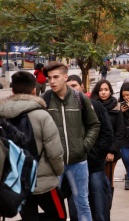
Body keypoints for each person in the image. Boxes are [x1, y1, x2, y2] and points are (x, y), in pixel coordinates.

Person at [0, 71, 66, 220]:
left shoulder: (2, 116)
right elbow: (54, 152)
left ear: (12, 91)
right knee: (59, 216)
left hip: (18, 183)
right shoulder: (42, 115)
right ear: (34, 90)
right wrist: (58, 171)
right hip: (45, 182)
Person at [42, 61, 100, 221]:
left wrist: (84, 146)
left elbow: (94, 124)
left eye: (56, 77)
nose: (52, 81)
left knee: (82, 202)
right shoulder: (44, 99)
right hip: (54, 164)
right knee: (54, 207)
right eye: (49, 78)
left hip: (78, 161)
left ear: (65, 77)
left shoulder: (80, 98)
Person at [66, 75, 113, 221]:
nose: (71, 89)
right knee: (76, 211)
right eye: (68, 86)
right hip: (72, 167)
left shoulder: (96, 106)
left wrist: (93, 155)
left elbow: (107, 134)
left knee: (100, 210)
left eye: (74, 85)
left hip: (94, 166)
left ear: (82, 86)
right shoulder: (61, 111)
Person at [90, 80, 123, 206]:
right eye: (101, 90)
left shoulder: (117, 107)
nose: (103, 92)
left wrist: (112, 151)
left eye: (106, 89)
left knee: (108, 180)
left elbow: (119, 132)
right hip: (94, 151)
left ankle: (107, 206)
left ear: (110, 91)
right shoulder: (91, 106)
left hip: (111, 152)